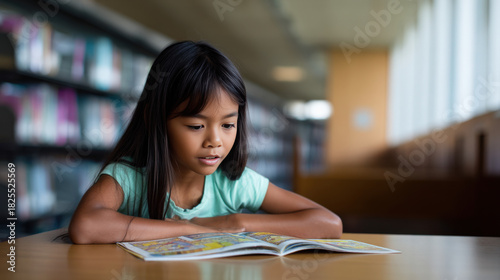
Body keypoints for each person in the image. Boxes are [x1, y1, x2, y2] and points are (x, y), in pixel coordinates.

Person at [68, 41, 342, 244]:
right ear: (156, 120)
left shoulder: (234, 183)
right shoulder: (129, 177)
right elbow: (86, 226)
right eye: (196, 126)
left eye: (228, 125)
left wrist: (235, 222)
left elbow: (329, 223)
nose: (215, 141)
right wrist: (189, 228)